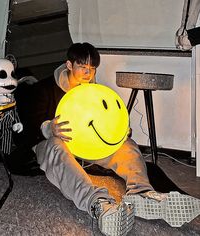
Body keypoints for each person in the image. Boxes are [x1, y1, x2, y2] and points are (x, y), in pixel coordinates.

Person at [13, 42, 165, 235]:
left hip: (88, 147)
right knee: (56, 145)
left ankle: (141, 193)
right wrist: (48, 128)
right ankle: (98, 204)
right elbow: (30, 124)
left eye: (92, 69)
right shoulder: (44, 88)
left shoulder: (95, 93)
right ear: (69, 65)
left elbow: (106, 121)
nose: (88, 74)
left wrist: (118, 132)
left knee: (126, 145)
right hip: (53, 145)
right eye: (83, 68)